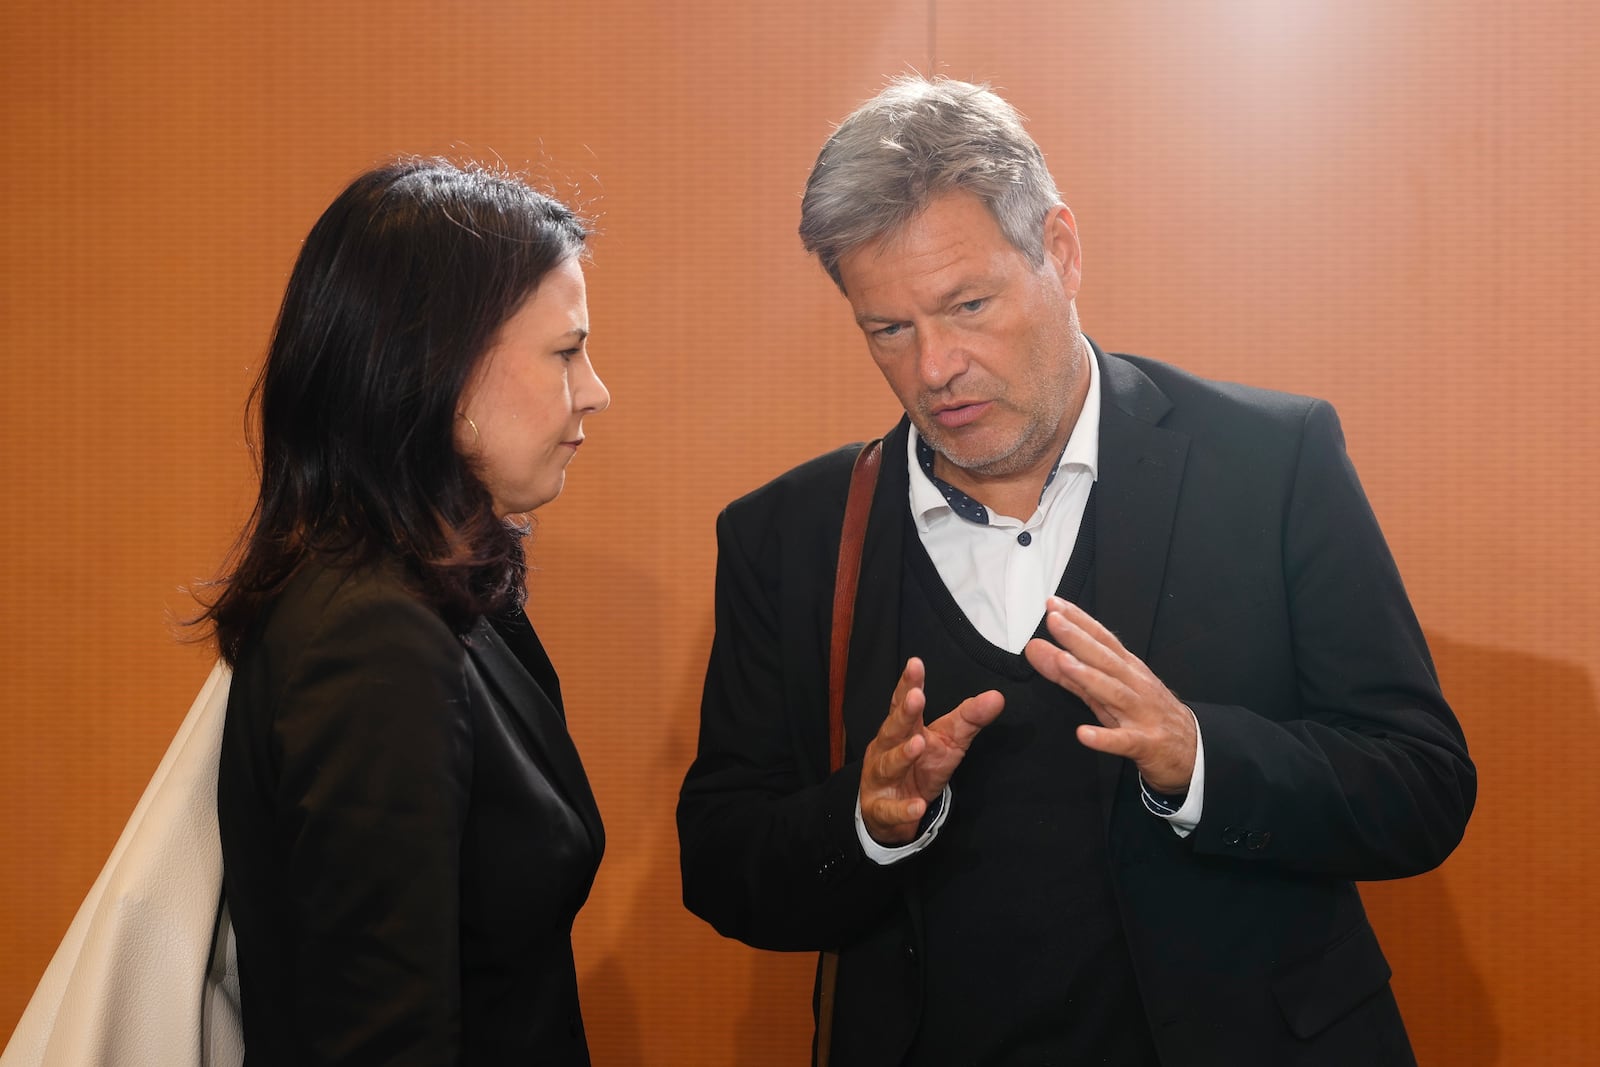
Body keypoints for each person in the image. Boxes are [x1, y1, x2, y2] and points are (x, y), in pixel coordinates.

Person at [677, 77, 1475, 1066]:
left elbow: (1421, 784)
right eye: (887, 329)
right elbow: (719, 861)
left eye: (967, 304)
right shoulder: (787, 535)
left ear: (1057, 247)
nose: (935, 366)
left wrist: (1198, 756)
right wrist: (866, 819)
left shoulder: (1269, 461)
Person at [198, 159, 610, 1064]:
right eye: (565, 350)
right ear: (445, 371)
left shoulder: (420, 588)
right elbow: (382, 1034)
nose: (595, 390)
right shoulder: (370, 633)